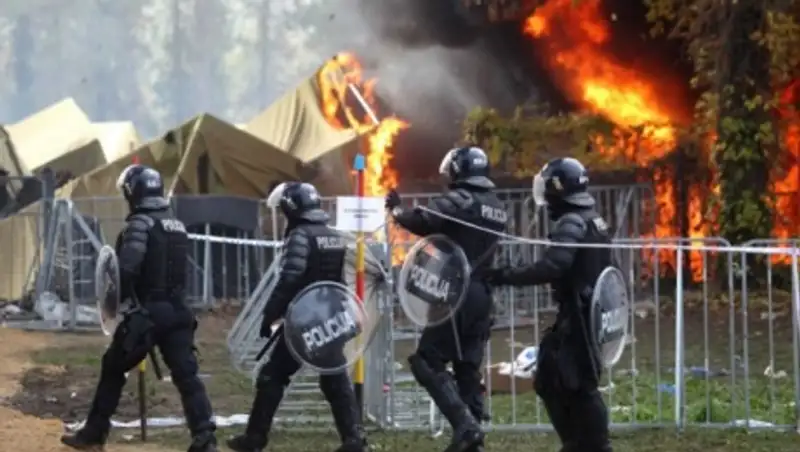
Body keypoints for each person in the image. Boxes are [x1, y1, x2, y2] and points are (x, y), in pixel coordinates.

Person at [61, 164, 218, 452]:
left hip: (148, 315)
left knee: (113, 367)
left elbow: (127, 268)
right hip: (179, 312)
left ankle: (94, 434)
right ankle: (205, 437)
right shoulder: (176, 224)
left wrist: (118, 302)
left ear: (133, 192)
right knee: (187, 376)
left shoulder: (140, 224)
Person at [484, 157, 613, 452]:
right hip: (588, 313)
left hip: (579, 317)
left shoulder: (572, 221)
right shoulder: (593, 217)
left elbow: (555, 265)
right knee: (555, 377)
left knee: (576, 383)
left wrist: (506, 275)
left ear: (557, 188)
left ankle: (589, 444)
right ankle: (581, 443)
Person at [227, 181, 367, 452]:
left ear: (291, 208)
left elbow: (290, 278)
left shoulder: (301, 236)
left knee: (273, 376)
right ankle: (354, 440)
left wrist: (270, 315)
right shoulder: (331, 234)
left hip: (303, 322)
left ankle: (255, 439)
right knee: (335, 380)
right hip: (328, 319)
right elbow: (337, 282)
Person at [386, 146, 507, 452]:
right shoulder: (496, 204)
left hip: (457, 294)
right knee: (467, 367)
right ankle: (474, 437)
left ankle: (465, 426)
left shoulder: (461, 199)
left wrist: (398, 211)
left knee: (426, 360)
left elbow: (425, 220)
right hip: (482, 295)